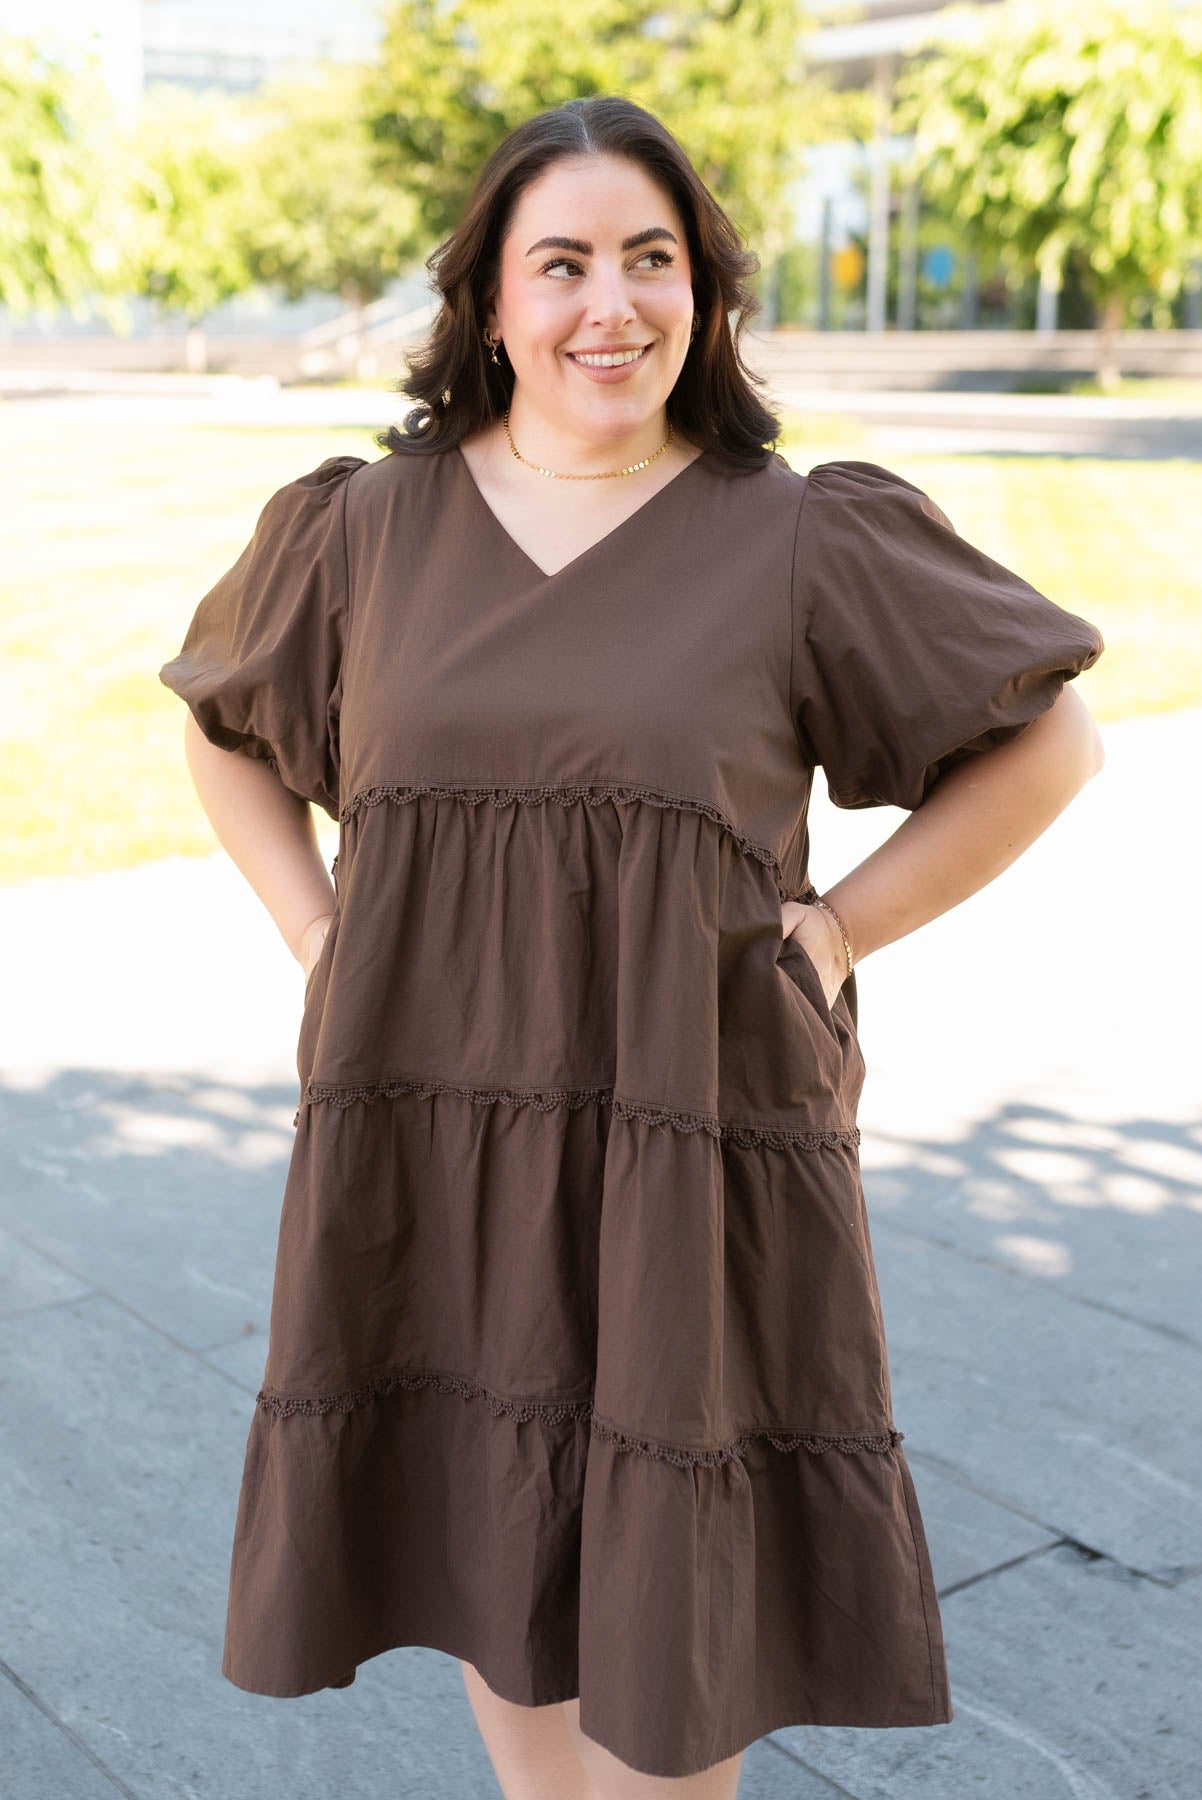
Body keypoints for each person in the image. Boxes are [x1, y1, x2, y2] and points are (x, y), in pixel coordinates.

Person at [158, 95, 1106, 1800]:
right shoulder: (366, 529)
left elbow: (1048, 745)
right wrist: (318, 931)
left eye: (652, 259)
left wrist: (833, 929)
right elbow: (223, 727)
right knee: (477, 1509)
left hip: (693, 1113)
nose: (614, 304)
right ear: (491, 301)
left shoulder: (798, 532)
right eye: (566, 262)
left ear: (706, 290)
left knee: (672, 1566)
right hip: (429, 1108)